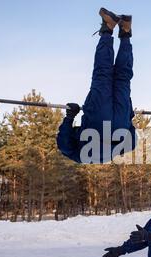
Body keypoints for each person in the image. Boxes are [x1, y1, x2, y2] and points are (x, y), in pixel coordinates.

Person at [57, 8, 137, 164]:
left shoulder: (113, 154)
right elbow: (64, 144)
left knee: (123, 78)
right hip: (98, 120)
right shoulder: (79, 156)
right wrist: (69, 117)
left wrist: (129, 118)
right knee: (103, 74)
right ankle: (108, 29)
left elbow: (132, 142)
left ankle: (125, 32)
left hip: (121, 123)